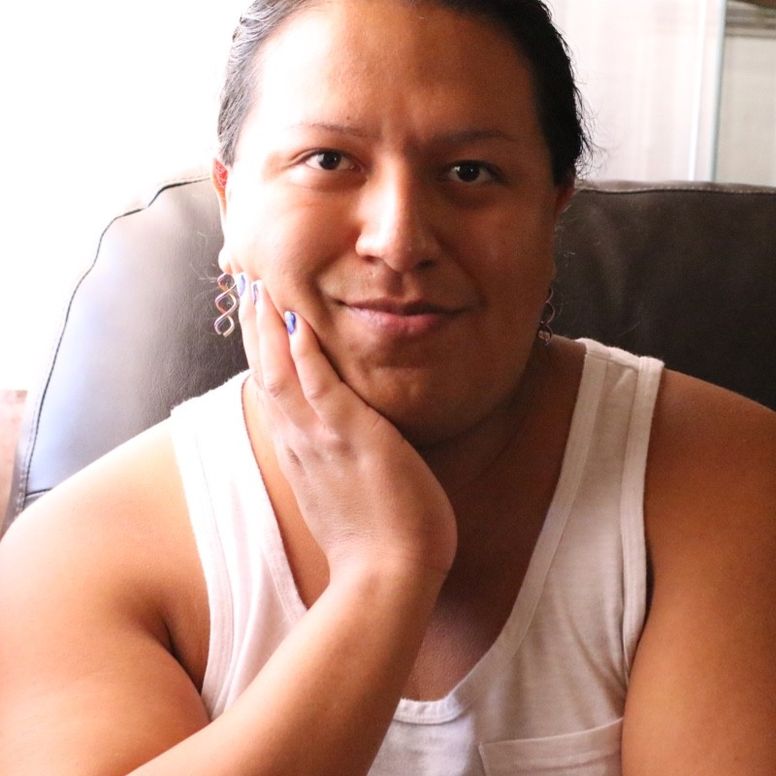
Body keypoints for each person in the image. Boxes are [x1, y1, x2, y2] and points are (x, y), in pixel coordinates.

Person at [1, 0, 774, 773]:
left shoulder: (731, 480)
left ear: (552, 207)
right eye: (327, 161)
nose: (399, 240)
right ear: (232, 201)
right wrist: (385, 574)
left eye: (470, 172)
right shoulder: (75, 556)